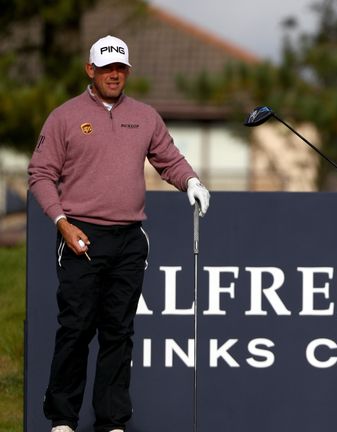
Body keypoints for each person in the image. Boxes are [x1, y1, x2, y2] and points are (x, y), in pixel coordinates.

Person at [28, 35, 211, 432]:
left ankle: (111, 419)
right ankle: (62, 418)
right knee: (76, 328)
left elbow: (169, 159)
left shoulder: (144, 116)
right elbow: (41, 174)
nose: (114, 74)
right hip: (81, 235)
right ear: (90, 70)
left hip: (129, 238)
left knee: (119, 331)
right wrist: (61, 221)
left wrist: (191, 181)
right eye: (107, 68)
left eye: (121, 68)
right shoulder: (65, 116)